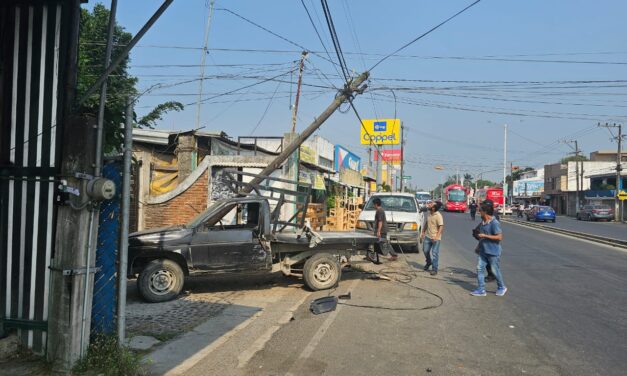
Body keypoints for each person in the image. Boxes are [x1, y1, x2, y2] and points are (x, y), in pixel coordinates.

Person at [471, 202, 507, 297]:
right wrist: (478, 246)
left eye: (480, 210)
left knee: (495, 271)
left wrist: (485, 235)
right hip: (483, 251)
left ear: (485, 211)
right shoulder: (483, 222)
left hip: (493, 252)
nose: (479, 212)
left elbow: (499, 237)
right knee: (479, 269)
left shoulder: (494, 223)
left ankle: (501, 287)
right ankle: (481, 289)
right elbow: (482, 238)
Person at [421, 201, 444, 276]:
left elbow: (441, 226)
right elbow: (427, 223)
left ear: (434, 208)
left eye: (431, 204)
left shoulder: (438, 215)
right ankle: (428, 262)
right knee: (425, 251)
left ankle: (434, 269)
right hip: (428, 236)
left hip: (435, 238)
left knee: (435, 253)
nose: (429, 204)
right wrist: (423, 232)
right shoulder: (429, 213)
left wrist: (437, 237)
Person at [371, 197, 397, 262]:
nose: (373, 205)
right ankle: (373, 256)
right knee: (379, 243)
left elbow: (380, 221)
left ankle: (394, 255)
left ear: (376, 204)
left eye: (373, 204)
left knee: (384, 243)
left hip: (382, 230)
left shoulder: (380, 211)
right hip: (381, 230)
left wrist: (378, 231)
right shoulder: (380, 210)